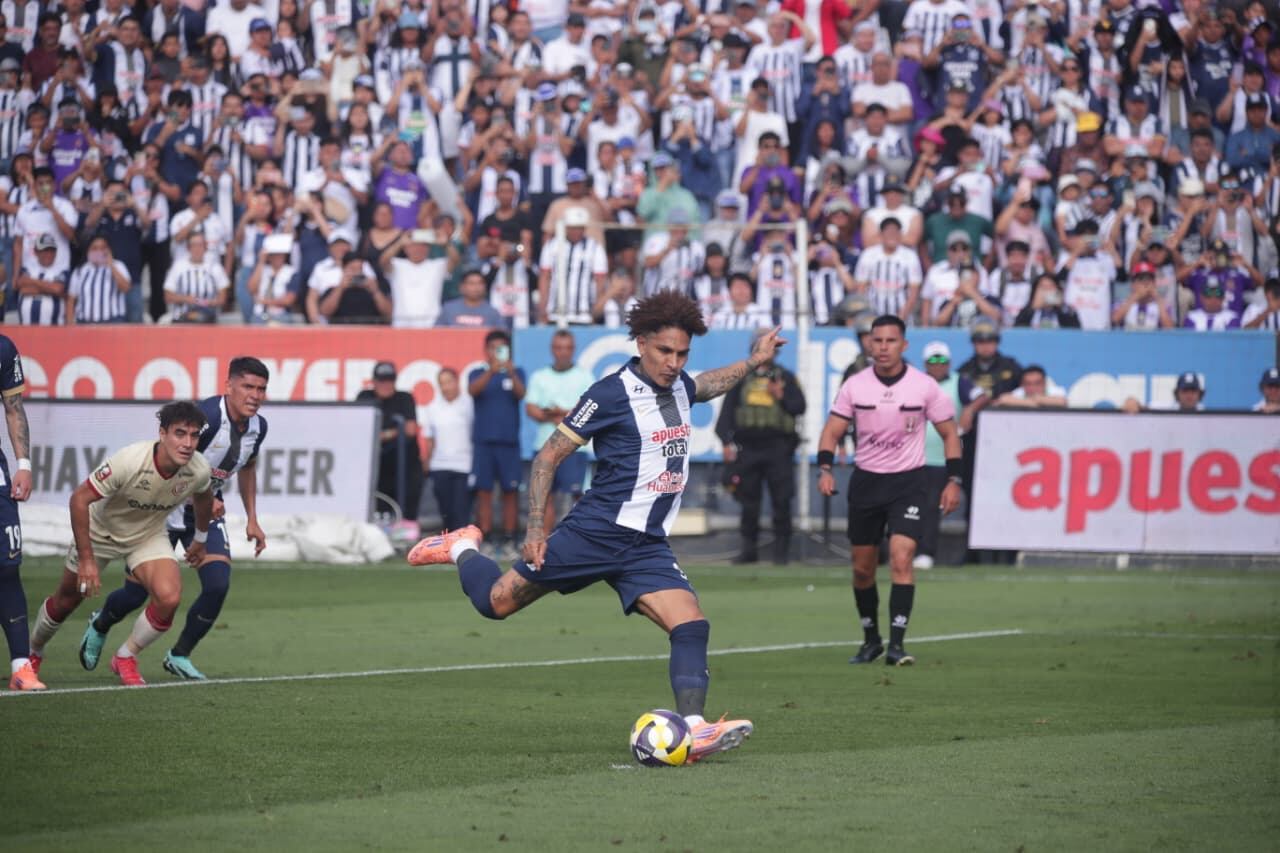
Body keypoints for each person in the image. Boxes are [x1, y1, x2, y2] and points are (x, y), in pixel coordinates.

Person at [407, 292, 780, 763]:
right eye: (665, 351)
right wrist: (535, 530)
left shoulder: (681, 385)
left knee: (691, 624)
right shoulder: (610, 393)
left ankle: (695, 728)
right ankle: (461, 546)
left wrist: (753, 361)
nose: (674, 362)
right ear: (642, 343)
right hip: (594, 532)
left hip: (645, 544)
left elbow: (707, 383)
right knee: (495, 604)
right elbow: (548, 456)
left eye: (682, 353)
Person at [82, 359, 270, 681]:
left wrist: (252, 518)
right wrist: (197, 497)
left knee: (217, 583)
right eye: (247, 387)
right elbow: (167, 457)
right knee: (137, 594)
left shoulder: (258, 427)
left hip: (206, 509)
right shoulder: (208, 418)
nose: (254, 395)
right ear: (228, 386)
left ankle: (177, 655)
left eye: (261, 389)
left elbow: (248, 466)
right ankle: (100, 624)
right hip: (164, 508)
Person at [28, 401, 215, 687]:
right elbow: (79, 499)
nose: (188, 443)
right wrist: (88, 559)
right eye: (180, 434)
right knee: (66, 601)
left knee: (169, 598)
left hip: (147, 535)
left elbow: (204, 497)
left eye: (194, 436)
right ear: (162, 434)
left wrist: (201, 538)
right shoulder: (129, 460)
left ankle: (125, 656)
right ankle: (32, 653)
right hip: (99, 532)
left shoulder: (199, 468)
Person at [816, 315, 963, 667]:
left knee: (900, 558)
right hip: (866, 482)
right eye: (877, 341)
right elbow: (832, 431)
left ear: (904, 345)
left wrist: (953, 480)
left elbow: (950, 434)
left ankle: (897, 644)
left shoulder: (925, 386)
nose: (883, 347)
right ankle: (871, 641)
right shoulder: (855, 385)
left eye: (890, 341)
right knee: (863, 569)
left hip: (910, 483)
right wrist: (824, 468)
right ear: (869, 344)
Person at [714, 330, 806, 565]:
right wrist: (725, 442)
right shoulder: (742, 378)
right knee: (748, 501)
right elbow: (727, 413)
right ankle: (748, 551)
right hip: (748, 448)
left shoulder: (785, 377)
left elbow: (799, 407)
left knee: (781, 501)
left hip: (779, 448)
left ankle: (781, 554)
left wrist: (782, 395)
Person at [915, 341, 984, 571]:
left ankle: (972, 553)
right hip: (921, 456)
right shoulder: (916, 384)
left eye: (941, 360)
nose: (937, 365)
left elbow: (981, 396)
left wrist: (970, 409)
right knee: (926, 506)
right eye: (933, 361)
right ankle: (923, 551)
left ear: (949, 363)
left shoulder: (958, 382)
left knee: (961, 502)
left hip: (947, 456)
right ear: (925, 364)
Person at [0, 334, 41, 690]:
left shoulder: (3, 348)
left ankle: (21, 667)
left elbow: (13, 408)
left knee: (7, 566)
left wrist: (23, 464)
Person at [524, 330, 594, 532]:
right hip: (544, 445)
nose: (563, 353)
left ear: (573, 350)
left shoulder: (584, 376)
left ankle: (583, 542)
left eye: (567, 348)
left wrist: (557, 413)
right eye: (558, 347)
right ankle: (543, 544)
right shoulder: (540, 376)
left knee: (580, 497)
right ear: (552, 349)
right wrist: (564, 416)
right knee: (544, 498)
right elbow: (531, 409)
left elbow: (588, 409)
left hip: (575, 449)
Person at [468, 330, 526, 554]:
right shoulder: (477, 372)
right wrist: (491, 371)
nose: (496, 353)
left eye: (501, 348)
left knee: (510, 492)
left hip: (509, 442)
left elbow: (521, 394)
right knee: (484, 492)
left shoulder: (516, 372)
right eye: (493, 348)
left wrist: (509, 373)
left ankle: (510, 538)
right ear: (486, 350)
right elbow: (473, 390)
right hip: (484, 442)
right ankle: (488, 537)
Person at [357, 361, 423, 522]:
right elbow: (357, 427)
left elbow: (410, 429)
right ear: (373, 381)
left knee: (406, 514)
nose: (386, 385)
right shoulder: (365, 397)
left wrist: (383, 434)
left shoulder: (404, 398)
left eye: (390, 380)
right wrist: (393, 432)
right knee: (377, 513)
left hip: (404, 469)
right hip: (376, 469)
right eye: (382, 381)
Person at [423, 367, 474, 531]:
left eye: (449, 382)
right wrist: (427, 461)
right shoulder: (433, 407)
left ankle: (463, 551)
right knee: (446, 512)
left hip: (464, 465)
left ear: (457, 381)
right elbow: (430, 438)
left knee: (461, 513)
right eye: (442, 383)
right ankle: (447, 550)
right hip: (440, 466)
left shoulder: (470, 404)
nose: (446, 387)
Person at [993, 365, 1069, 409]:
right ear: (1022, 385)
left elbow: (1063, 402)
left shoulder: (1056, 391)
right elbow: (1003, 399)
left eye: (1037, 383)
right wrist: (1032, 402)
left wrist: (1038, 399)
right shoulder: (1020, 392)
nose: (1032, 388)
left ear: (1044, 383)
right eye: (1028, 384)